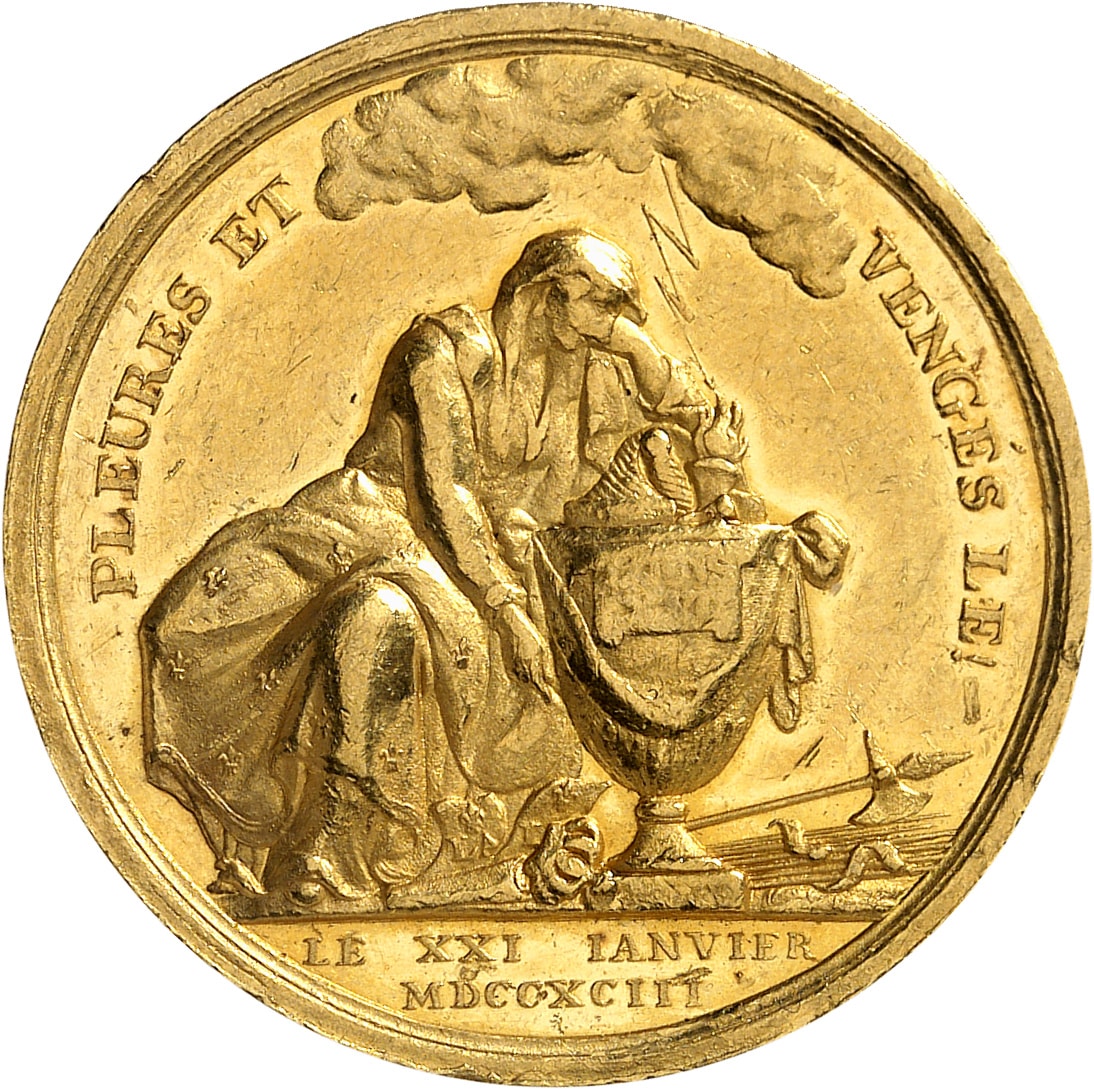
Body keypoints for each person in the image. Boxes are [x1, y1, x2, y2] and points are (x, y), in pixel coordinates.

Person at [142, 230, 760, 912]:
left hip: (495, 563)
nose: (609, 326)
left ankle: (435, 859)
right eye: (603, 305)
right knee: (375, 613)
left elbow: (691, 417)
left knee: (473, 638)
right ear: (546, 294)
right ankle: (343, 852)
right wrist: (506, 607)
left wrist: (636, 349)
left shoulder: (589, 369)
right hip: (378, 530)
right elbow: (447, 492)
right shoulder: (439, 351)